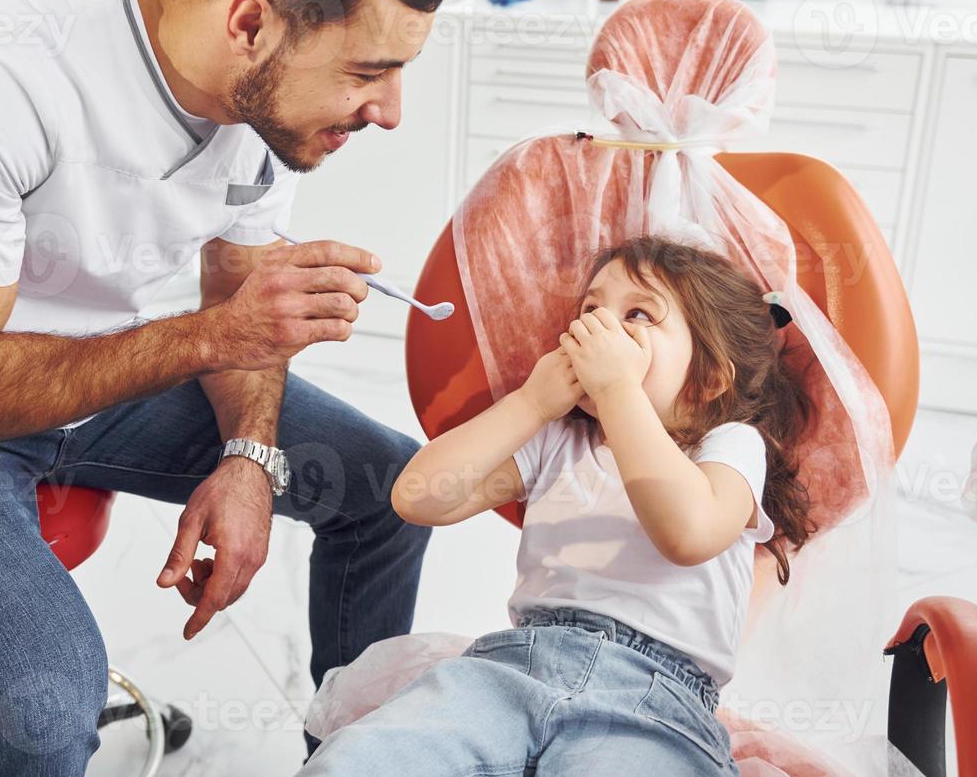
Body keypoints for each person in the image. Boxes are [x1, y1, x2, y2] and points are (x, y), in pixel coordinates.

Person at [0, 0, 452, 775]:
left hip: (89, 374)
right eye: (367, 73)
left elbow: (234, 298)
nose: (390, 111)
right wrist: (220, 333)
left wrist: (249, 458)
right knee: (44, 715)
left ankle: (350, 760)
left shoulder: (262, 98)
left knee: (391, 496)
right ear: (251, 22)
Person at [300, 235, 817, 775]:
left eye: (638, 314)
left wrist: (619, 391)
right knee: (365, 759)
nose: (598, 330)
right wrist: (532, 402)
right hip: (512, 670)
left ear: (709, 378)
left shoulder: (729, 446)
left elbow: (688, 533)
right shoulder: (557, 438)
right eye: (591, 310)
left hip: (657, 703)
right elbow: (416, 497)